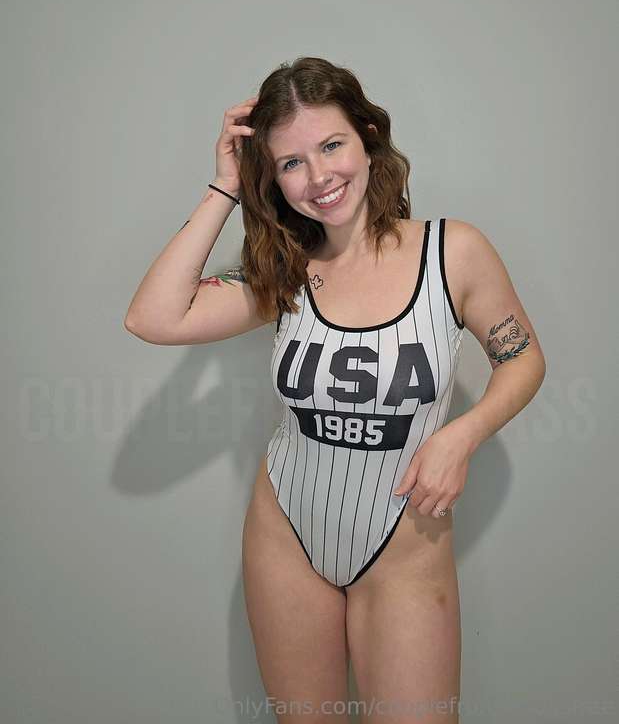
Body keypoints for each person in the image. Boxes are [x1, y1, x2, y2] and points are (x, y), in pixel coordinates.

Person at [124, 57, 546, 723]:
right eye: (291, 162)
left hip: (403, 547)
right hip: (286, 540)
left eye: (331, 145)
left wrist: (461, 436)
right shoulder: (284, 272)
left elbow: (522, 361)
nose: (318, 177)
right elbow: (152, 318)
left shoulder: (452, 252)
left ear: (368, 137)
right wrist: (225, 186)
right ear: (273, 177)